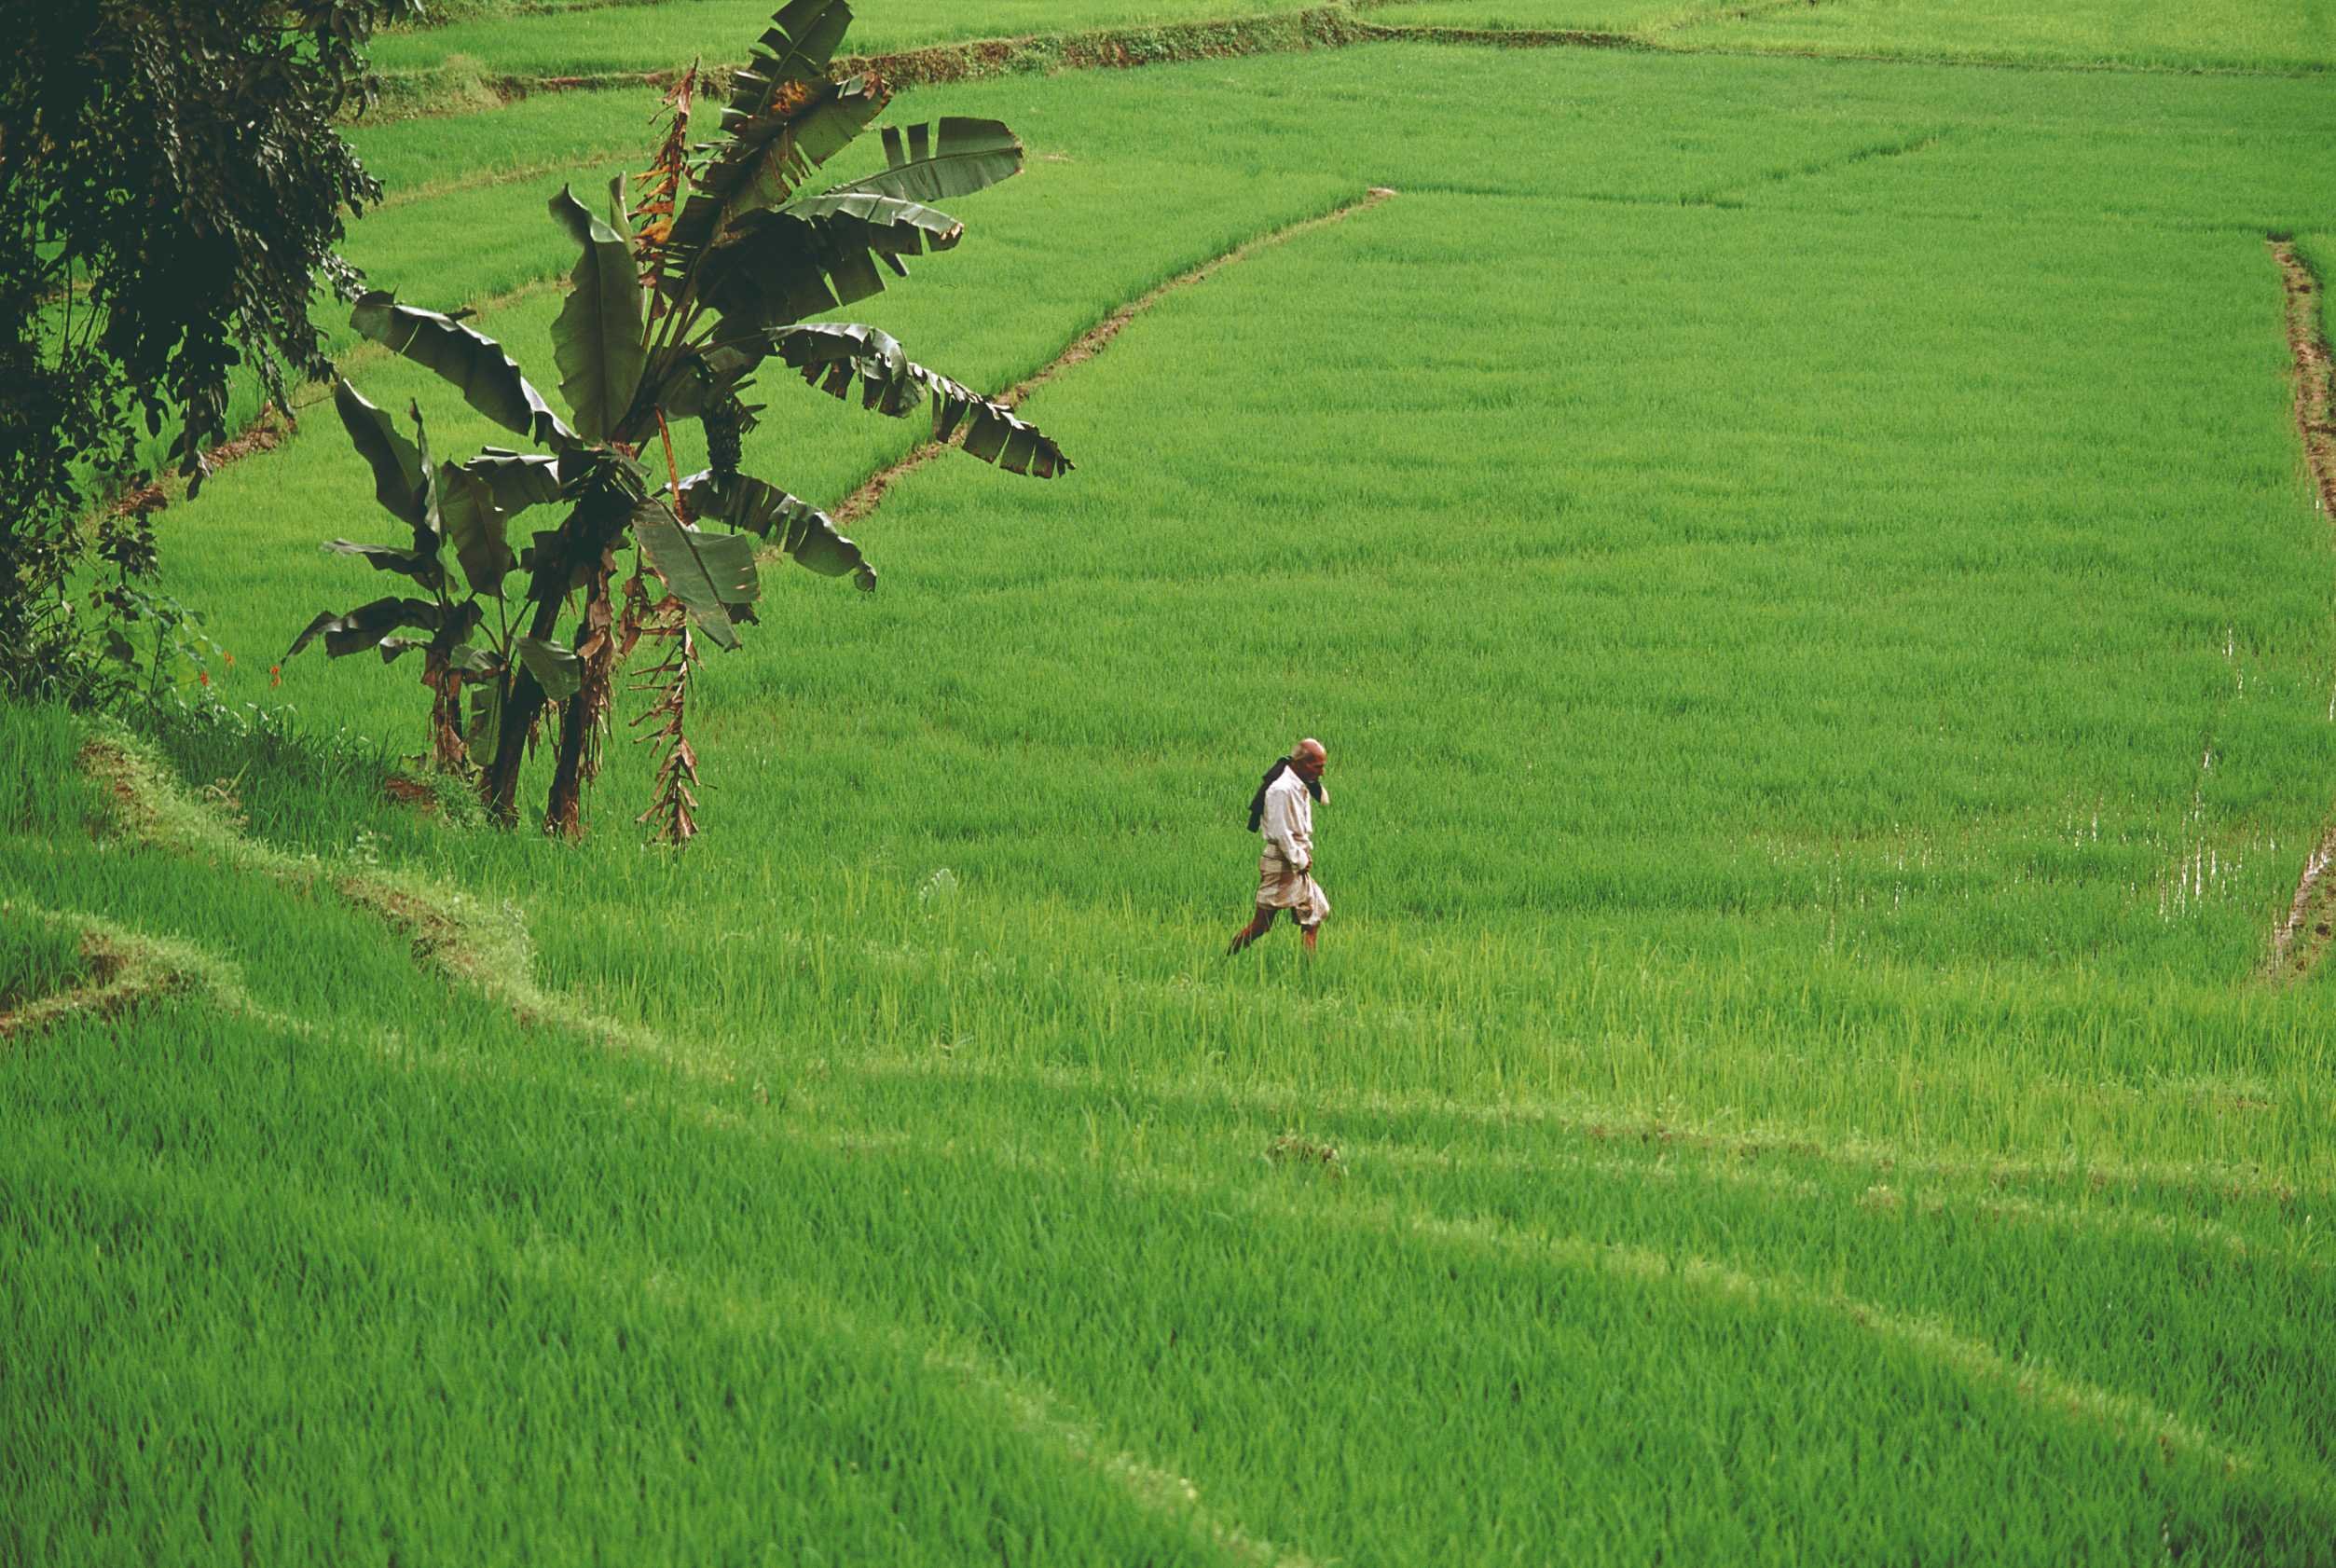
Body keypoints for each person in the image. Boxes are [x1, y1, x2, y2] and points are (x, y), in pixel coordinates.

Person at [1228, 737, 1330, 955]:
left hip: (1294, 861)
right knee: (1261, 925)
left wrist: (1301, 857)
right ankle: (1225, 958)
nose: (1321, 772)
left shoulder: (1299, 784)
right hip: (1283, 863)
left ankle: (1309, 972)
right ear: (1301, 763)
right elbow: (1280, 832)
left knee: (1314, 916)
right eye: (1317, 766)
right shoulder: (1281, 790)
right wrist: (1299, 859)